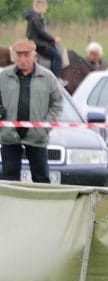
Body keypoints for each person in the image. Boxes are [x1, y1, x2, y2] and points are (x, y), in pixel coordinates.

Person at [0, 39, 63, 183]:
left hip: (37, 137)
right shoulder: (3, 77)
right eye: (19, 55)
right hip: (9, 137)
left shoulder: (48, 77)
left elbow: (57, 103)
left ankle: (43, 206)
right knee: (9, 181)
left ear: (34, 56)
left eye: (26, 55)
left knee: (41, 179)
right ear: (14, 56)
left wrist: (46, 126)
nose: (23, 59)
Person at [24, 0, 63, 78]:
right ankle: (56, 79)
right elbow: (41, 32)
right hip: (38, 44)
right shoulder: (36, 17)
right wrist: (53, 39)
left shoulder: (33, 16)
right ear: (40, 6)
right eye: (45, 6)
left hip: (35, 42)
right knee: (57, 56)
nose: (46, 8)